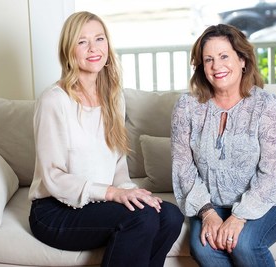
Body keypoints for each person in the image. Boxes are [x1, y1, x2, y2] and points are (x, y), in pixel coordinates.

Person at [28, 11, 183, 267]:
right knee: (141, 218)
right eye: (82, 42)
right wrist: (111, 193)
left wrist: (134, 194)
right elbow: (53, 176)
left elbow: (118, 171)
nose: (93, 48)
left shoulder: (114, 98)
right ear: (69, 50)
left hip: (96, 202)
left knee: (169, 215)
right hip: (53, 210)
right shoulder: (54, 101)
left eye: (99, 39)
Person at [171, 24, 276, 267]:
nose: (216, 66)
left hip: (270, 200)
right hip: (213, 204)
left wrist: (239, 216)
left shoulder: (267, 105)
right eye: (208, 59)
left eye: (223, 56)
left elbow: (273, 172)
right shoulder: (186, 107)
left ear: (242, 60)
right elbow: (183, 169)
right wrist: (208, 213)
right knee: (205, 249)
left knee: (243, 243)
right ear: (201, 67)